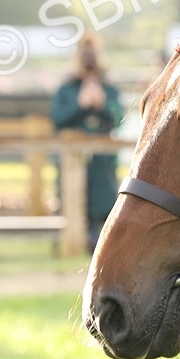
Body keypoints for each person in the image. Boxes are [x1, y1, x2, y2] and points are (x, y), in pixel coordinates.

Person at [52, 36, 124, 253]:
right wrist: (80, 105)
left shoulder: (108, 88)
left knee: (103, 202)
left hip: (102, 161)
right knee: (72, 201)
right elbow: (58, 119)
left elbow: (118, 117)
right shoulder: (67, 89)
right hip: (72, 158)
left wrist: (102, 106)